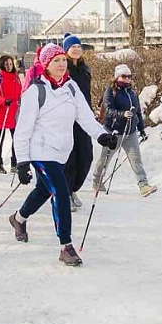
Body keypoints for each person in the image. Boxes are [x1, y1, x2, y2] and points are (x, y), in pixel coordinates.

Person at [8, 43, 118, 266]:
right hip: (40, 151)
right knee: (60, 191)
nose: (61, 64)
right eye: (56, 60)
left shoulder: (72, 88)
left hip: (62, 152)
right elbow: (23, 130)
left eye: (63, 60)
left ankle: (18, 218)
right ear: (46, 65)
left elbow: (85, 117)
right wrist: (22, 163)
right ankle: (66, 246)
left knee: (43, 190)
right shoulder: (35, 91)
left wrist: (102, 135)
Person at [93, 64, 157, 197]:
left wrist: (141, 129)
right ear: (117, 77)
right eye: (124, 76)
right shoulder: (111, 91)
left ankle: (143, 185)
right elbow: (109, 110)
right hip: (114, 132)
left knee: (136, 160)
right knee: (105, 158)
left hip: (130, 132)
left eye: (129, 76)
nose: (127, 79)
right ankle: (97, 180)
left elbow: (138, 112)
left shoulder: (132, 92)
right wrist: (122, 114)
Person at [62, 33, 95, 212]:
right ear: (66, 49)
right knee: (70, 158)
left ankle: (74, 188)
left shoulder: (85, 69)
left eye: (78, 47)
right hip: (67, 119)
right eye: (72, 47)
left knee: (86, 156)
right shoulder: (62, 68)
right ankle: (66, 192)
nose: (76, 49)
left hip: (83, 118)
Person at [0, 54, 21, 174]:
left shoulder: (16, 77)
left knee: (16, 138)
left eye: (10, 64)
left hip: (13, 112)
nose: (8, 66)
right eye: (6, 64)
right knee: (0, 137)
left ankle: (15, 163)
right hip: (2, 111)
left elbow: (19, 92)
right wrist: (3, 101)